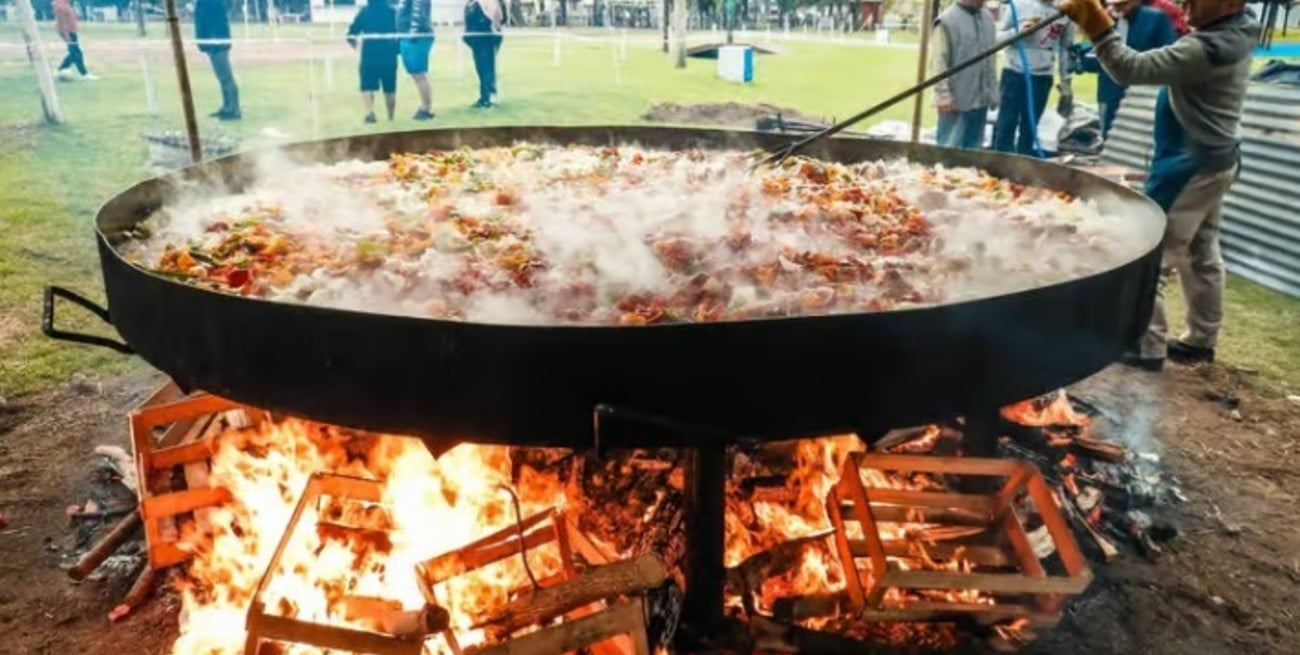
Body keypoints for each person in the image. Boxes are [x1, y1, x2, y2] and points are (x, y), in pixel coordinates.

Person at [1057, 0, 1259, 370]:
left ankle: (1145, 345)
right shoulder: (1239, 27)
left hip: (1191, 165)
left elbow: (1128, 68)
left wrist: (1095, 21)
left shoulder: (1205, 49)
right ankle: (1201, 340)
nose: (1185, 4)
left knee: (1149, 254)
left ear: (1227, 3)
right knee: (1201, 254)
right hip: (1217, 158)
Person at [1081, 0, 1177, 137]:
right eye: (1115, 5)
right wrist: (1083, 57)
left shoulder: (1155, 19)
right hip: (1109, 91)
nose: (1118, 8)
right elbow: (1095, 59)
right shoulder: (1104, 20)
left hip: (1142, 95)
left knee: (1139, 138)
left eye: (1123, 4)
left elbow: (1169, 57)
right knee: (1109, 135)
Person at [992, 0, 1075, 156]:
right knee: (1006, 123)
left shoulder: (1065, 13)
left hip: (1042, 76)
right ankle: (999, 165)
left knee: (1030, 125)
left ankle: (1023, 166)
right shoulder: (1018, 6)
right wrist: (1018, 32)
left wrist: (1066, 84)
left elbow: (1066, 50)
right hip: (1014, 72)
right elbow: (996, 38)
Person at [929, 0, 999, 149]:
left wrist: (992, 91)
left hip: (980, 100)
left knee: (974, 152)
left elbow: (990, 60)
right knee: (949, 150)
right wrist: (942, 95)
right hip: (956, 101)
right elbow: (938, 61)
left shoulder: (987, 18)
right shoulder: (947, 21)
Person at [348, 0, 401, 124]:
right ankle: (390, 118)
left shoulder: (364, 12)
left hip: (369, 55)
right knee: (390, 88)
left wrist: (356, 47)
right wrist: (397, 48)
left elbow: (351, 34)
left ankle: (370, 113)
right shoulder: (392, 12)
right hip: (388, 55)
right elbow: (400, 33)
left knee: (367, 85)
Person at [195, 0, 241, 120]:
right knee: (222, 77)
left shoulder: (214, 3)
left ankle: (233, 108)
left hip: (217, 43)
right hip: (212, 43)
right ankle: (227, 106)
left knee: (226, 76)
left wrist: (213, 41)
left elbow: (216, 21)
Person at [397, 0, 435, 120]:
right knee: (414, 73)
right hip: (406, 35)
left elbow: (419, 11)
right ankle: (424, 106)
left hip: (417, 37)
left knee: (419, 73)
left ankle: (426, 109)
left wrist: (413, 32)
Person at [463, 0, 504, 109]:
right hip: (478, 40)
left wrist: (495, 27)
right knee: (482, 68)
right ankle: (485, 97)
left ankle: (489, 98)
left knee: (486, 68)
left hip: (486, 38)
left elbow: (496, 12)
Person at [53, 0, 96, 80]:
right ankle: (84, 74)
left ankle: (60, 70)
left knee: (73, 53)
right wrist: (65, 35)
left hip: (71, 31)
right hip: (68, 32)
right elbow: (61, 21)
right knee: (77, 53)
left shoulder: (66, 4)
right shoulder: (61, 5)